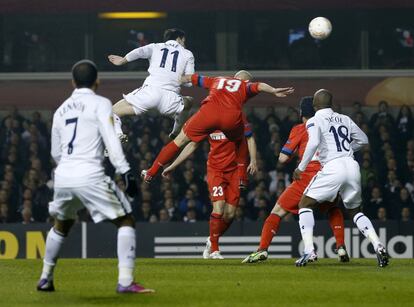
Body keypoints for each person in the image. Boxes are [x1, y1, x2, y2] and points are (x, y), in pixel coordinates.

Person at [36, 60, 154, 294]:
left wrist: (69, 169)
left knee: (62, 224)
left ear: (73, 82)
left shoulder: (60, 110)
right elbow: (111, 139)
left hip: (64, 176)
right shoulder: (101, 104)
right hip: (90, 174)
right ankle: (126, 281)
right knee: (126, 221)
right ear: (97, 81)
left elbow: (54, 153)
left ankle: (45, 277)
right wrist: (125, 171)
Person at [242, 97, 349, 264]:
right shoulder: (328, 126)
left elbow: (283, 158)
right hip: (329, 175)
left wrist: (291, 152)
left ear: (301, 113)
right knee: (332, 208)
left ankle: (262, 250)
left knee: (277, 212)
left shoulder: (301, 128)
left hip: (307, 176)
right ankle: (341, 246)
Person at [142, 70, 294, 183]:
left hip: (209, 112)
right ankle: (242, 178)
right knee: (242, 139)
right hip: (231, 117)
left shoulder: (217, 79)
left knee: (179, 141)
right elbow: (260, 86)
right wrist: (273, 90)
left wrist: (170, 81)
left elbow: (190, 78)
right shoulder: (245, 86)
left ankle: (151, 172)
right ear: (246, 81)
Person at [293, 89, 389, 267]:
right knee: (355, 211)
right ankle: (378, 245)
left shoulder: (314, 120)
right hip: (351, 166)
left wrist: (301, 167)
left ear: (314, 105)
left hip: (333, 166)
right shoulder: (345, 118)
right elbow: (363, 140)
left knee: (304, 204)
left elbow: (313, 143)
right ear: (331, 103)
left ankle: (308, 251)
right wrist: (348, 150)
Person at [162, 114, 257, 259]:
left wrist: (253, 160)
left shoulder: (237, 117)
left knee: (230, 214)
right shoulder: (208, 121)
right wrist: (173, 165)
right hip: (215, 170)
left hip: (234, 171)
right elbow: (192, 144)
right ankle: (215, 250)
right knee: (218, 207)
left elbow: (250, 138)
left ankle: (211, 240)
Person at [108, 28, 195, 139]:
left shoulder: (155, 46)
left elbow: (139, 51)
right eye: (184, 41)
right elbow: (189, 82)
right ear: (179, 39)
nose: (184, 44)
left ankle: (118, 134)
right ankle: (176, 132)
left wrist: (123, 60)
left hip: (149, 94)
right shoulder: (188, 54)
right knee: (189, 102)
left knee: (112, 112)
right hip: (170, 99)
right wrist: (178, 79)